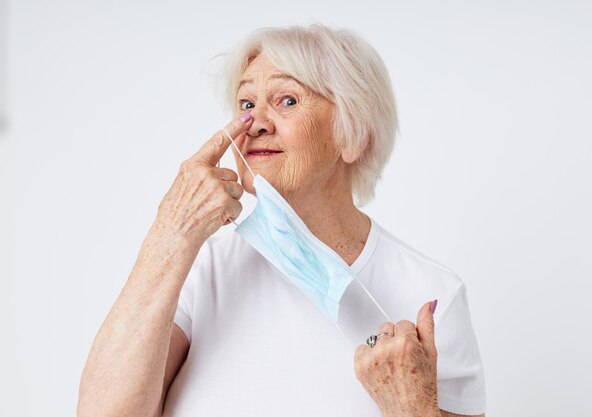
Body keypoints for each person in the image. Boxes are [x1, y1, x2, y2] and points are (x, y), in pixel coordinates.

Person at [78, 24, 486, 417]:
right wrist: (170, 232)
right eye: (246, 104)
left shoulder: (432, 295)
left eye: (287, 100)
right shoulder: (200, 268)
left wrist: (412, 410)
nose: (255, 123)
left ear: (353, 134)